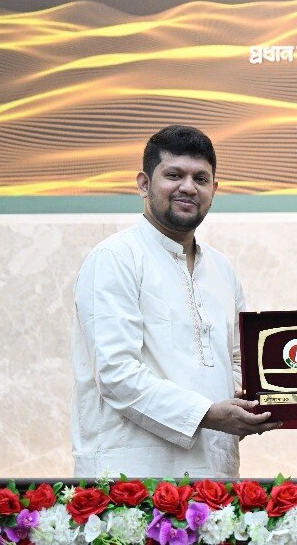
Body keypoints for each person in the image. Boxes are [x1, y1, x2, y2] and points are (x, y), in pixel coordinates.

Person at [71, 125, 279, 478]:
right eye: (174, 175)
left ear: (214, 190)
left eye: (201, 178)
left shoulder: (222, 270)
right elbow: (116, 374)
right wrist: (208, 414)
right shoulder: (116, 258)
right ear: (144, 184)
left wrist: (261, 403)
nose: (188, 187)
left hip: (216, 473)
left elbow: (238, 361)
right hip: (131, 478)